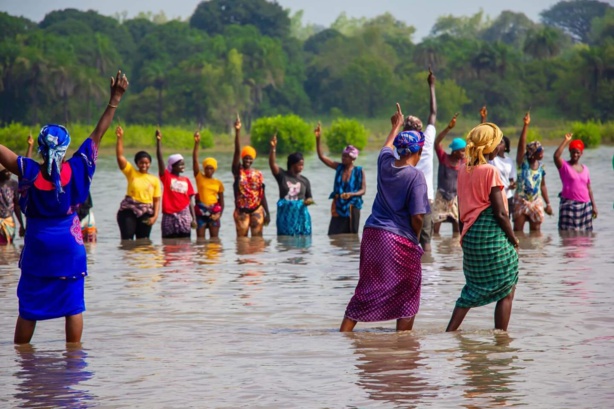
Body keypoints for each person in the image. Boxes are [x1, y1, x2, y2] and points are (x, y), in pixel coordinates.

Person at [0, 70, 129, 343]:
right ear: (66, 147)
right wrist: (115, 98)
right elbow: (99, 133)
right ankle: (73, 360)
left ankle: (23, 363)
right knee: (73, 305)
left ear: (41, 151)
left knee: (29, 309)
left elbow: (5, 154)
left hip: (38, 246)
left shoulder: (29, 171)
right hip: (69, 246)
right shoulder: (79, 166)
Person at [340, 103, 429, 332]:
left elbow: (386, 146)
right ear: (417, 152)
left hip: (371, 235)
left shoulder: (385, 163)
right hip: (398, 238)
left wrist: (395, 126)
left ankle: (345, 333)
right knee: (409, 291)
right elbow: (418, 216)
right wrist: (415, 240)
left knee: (366, 289)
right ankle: (403, 342)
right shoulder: (416, 176)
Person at [446, 122, 519, 332]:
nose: (499, 148)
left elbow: (461, 210)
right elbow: (501, 213)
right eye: (497, 144)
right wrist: (514, 239)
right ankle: (501, 339)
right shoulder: (491, 171)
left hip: (470, 238)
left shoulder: (463, 170)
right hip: (492, 237)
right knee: (507, 288)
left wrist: (463, 237)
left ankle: (449, 332)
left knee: (471, 290)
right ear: (489, 146)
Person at [403, 67, 437, 251]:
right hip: (426, 198)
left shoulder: (398, 148)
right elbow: (433, 114)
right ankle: (429, 274)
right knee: (426, 243)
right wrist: (431, 86)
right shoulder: (428, 139)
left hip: (405, 199)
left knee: (408, 242)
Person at [314, 122, 366, 235]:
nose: (343, 158)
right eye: (343, 156)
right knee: (333, 235)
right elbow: (321, 157)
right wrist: (318, 139)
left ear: (353, 158)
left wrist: (351, 194)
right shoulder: (339, 167)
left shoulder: (359, 171)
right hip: (338, 205)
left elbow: (363, 190)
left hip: (353, 206)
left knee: (351, 236)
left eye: (346, 157)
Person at [115, 126, 161, 240]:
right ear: (137, 163)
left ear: (150, 163)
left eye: (147, 163)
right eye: (141, 163)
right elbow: (120, 156)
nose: (144, 165)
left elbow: (156, 200)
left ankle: (141, 259)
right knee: (127, 241)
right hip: (129, 210)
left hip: (146, 211)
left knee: (144, 241)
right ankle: (130, 258)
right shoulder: (131, 172)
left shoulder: (154, 179)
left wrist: (155, 216)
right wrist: (120, 138)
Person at [513, 112, 553, 232]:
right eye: (540, 151)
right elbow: (521, 145)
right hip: (521, 201)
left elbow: (543, 186)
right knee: (518, 232)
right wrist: (526, 125)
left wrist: (548, 204)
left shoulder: (541, 167)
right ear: (532, 154)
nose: (542, 154)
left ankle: (534, 252)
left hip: (536, 201)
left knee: (536, 234)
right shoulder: (522, 163)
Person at [231, 115, 270, 237]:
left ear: (253, 159)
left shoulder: (258, 174)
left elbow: (261, 194)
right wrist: (238, 132)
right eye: (245, 157)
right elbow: (237, 151)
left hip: (257, 209)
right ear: (242, 158)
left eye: (250, 158)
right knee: (242, 241)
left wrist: (267, 212)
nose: (248, 160)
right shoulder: (238, 170)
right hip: (242, 210)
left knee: (257, 241)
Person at [155, 129, 196, 239]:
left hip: (184, 214)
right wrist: (158, 141)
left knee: (186, 244)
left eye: (183, 164)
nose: (183, 167)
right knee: (168, 245)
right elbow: (159, 158)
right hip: (169, 215)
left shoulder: (186, 180)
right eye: (180, 165)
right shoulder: (166, 177)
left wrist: (194, 219)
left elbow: (190, 201)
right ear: (172, 166)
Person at [269, 134, 313, 236]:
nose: (302, 167)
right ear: (293, 164)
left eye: (303, 165)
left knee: (303, 240)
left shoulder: (305, 181)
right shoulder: (282, 176)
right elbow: (272, 164)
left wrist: (308, 201)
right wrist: (273, 148)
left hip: (301, 216)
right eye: (300, 164)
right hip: (285, 216)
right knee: (285, 240)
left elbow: (309, 197)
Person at [553, 134, 597, 231]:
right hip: (569, 205)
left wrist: (593, 206)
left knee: (586, 237)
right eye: (573, 152)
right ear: (570, 152)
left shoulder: (585, 169)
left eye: (577, 152)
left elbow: (589, 188)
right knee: (567, 236)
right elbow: (556, 156)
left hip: (585, 206)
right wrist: (566, 140)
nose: (575, 155)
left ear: (581, 153)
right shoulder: (564, 166)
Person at [433, 113, 465, 235]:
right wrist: (448, 128)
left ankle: (454, 252)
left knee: (457, 232)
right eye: (462, 151)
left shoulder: (463, 162)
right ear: (455, 151)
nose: (464, 153)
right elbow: (436, 143)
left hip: (455, 198)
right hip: (441, 196)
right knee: (435, 231)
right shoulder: (444, 158)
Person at [481, 106, 517, 215]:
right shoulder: (492, 158)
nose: (497, 144)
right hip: (495, 195)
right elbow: (483, 139)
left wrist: (512, 185)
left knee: (506, 221)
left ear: (505, 147)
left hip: (507, 195)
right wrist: (483, 119)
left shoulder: (509, 161)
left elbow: (511, 179)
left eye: (500, 143)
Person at [193, 131, 224, 239]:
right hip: (200, 211)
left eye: (211, 168)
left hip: (214, 211)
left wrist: (219, 214)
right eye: (207, 168)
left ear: (215, 169)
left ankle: (213, 256)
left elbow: (222, 201)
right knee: (200, 240)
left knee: (214, 241)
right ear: (204, 168)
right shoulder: (199, 177)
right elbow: (195, 160)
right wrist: (197, 143)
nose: (209, 170)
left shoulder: (218, 183)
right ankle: (201, 257)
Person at [0, 162, 25, 244]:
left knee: (8, 244)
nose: (9, 173)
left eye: (9, 171)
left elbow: (17, 206)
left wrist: (21, 224)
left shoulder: (13, 184)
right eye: (6, 171)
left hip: (9, 221)